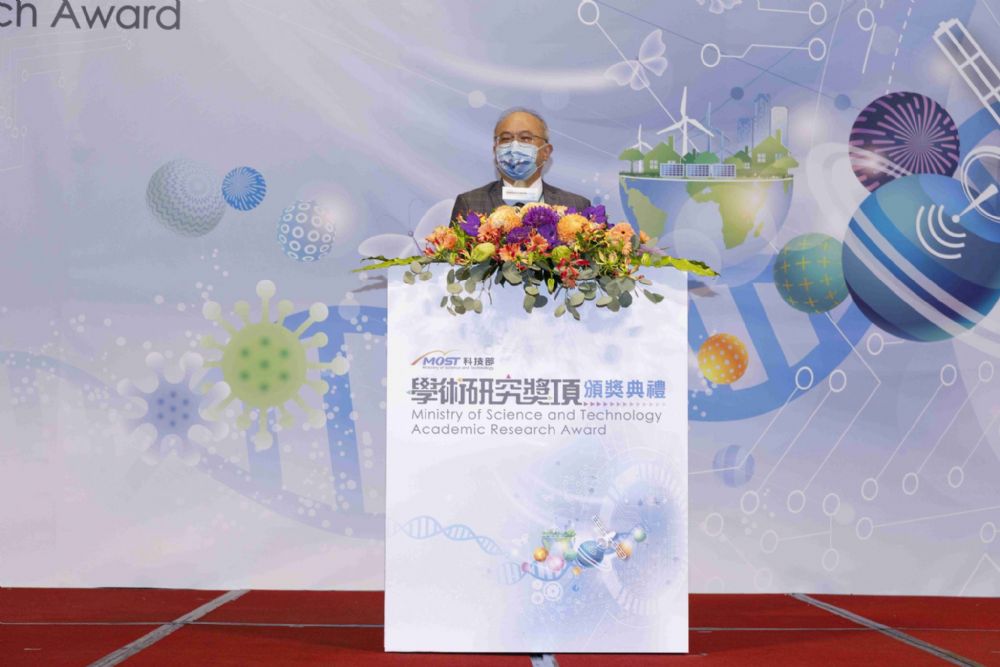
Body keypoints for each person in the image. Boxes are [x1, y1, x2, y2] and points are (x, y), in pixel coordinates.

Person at [450, 108, 591, 221]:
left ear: (546, 152)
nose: (514, 146)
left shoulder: (576, 206)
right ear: (495, 150)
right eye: (505, 139)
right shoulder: (470, 203)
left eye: (525, 138)